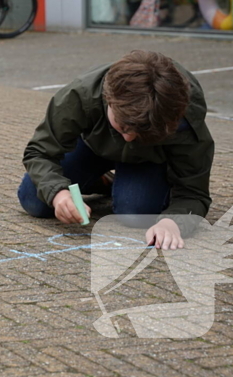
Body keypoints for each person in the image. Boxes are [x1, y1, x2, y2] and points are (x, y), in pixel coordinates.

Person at [18, 50, 214, 250]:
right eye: (122, 126)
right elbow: (39, 151)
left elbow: (194, 193)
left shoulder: (183, 117)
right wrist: (59, 194)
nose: (128, 137)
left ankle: (127, 182)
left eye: (141, 131)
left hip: (147, 159)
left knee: (136, 214)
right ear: (108, 99)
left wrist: (172, 223)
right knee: (34, 200)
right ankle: (100, 181)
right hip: (92, 147)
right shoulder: (81, 94)